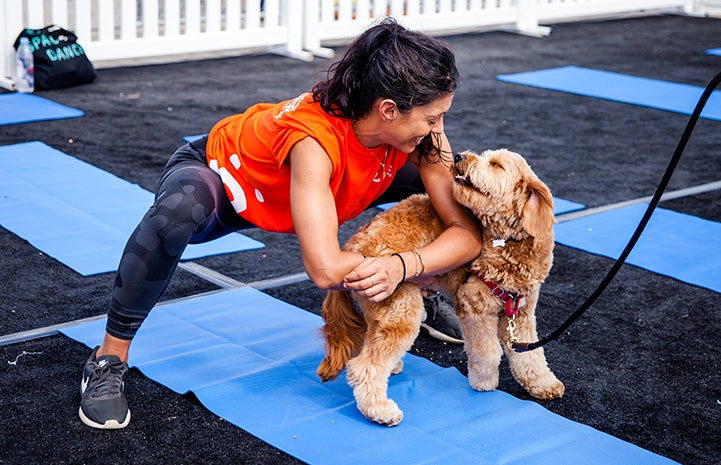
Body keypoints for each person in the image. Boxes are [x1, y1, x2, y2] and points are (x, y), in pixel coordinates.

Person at [79, 18, 483, 430]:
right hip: (228, 180)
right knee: (174, 215)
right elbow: (324, 269)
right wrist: (407, 265)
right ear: (388, 109)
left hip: (338, 184)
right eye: (432, 118)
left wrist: (406, 266)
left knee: (463, 192)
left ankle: (421, 298)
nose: (439, 130)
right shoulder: (313, 140)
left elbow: (467, 232)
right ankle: (108, 357)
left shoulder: (421, 137)